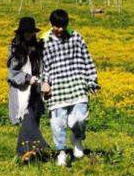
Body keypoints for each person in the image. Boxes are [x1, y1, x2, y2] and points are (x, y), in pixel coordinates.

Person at [40, 9, 99, 167]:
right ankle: (61, 152)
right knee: (57, 123)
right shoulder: (45, 41)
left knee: (79, 120)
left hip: (77, 85)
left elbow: (87, 59)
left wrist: (92, 81)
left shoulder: (76, 37)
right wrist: (45, 83)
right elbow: (43, 66)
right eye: (57, 26)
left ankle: (77, 139)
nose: (60, 29)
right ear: (51, 25)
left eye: (63, 26)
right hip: (57, 88)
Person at [7, 17, 49, 158]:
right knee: (28, 117)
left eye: (31, 32)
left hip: (36, 90)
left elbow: (44, 68)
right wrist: (27, 78)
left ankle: (27, 153)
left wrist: (44, 82)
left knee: (32, 120)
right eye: (26, 32)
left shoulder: (39, 47)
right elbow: (12, 74)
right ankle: (41, 148)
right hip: (22, 91)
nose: (29, 34)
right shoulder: (15, 49)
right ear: (21, 33)